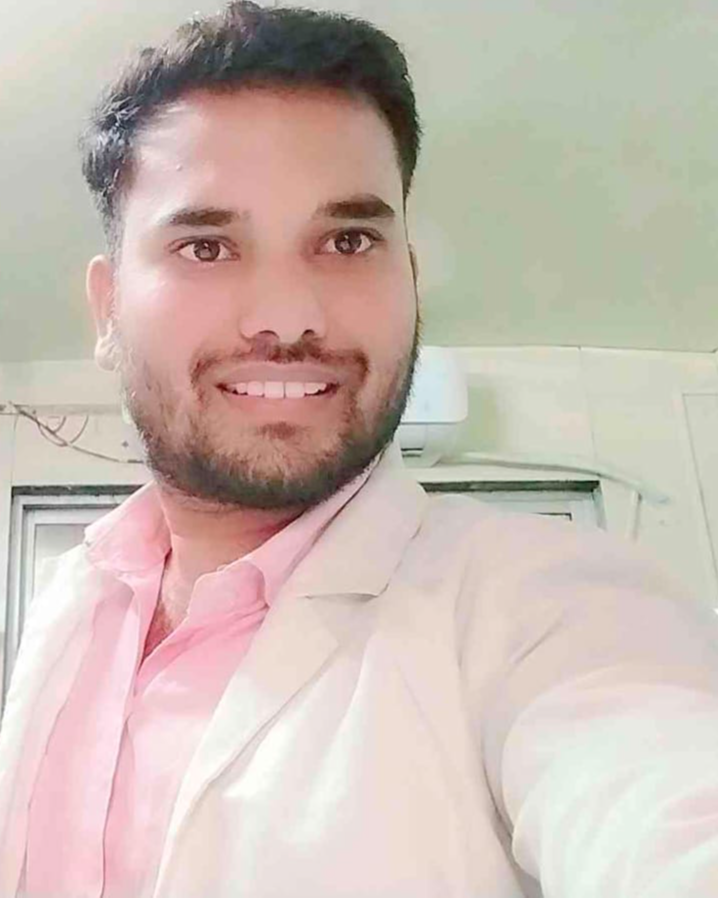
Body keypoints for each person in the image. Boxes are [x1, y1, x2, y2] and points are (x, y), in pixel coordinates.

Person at [1, 3, 717, 897]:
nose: (287, 316)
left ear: (408, 276)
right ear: (108, 309)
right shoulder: (69, 600)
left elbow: (661, 798)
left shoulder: (543, 608)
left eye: (347, 241)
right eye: (207, 246)